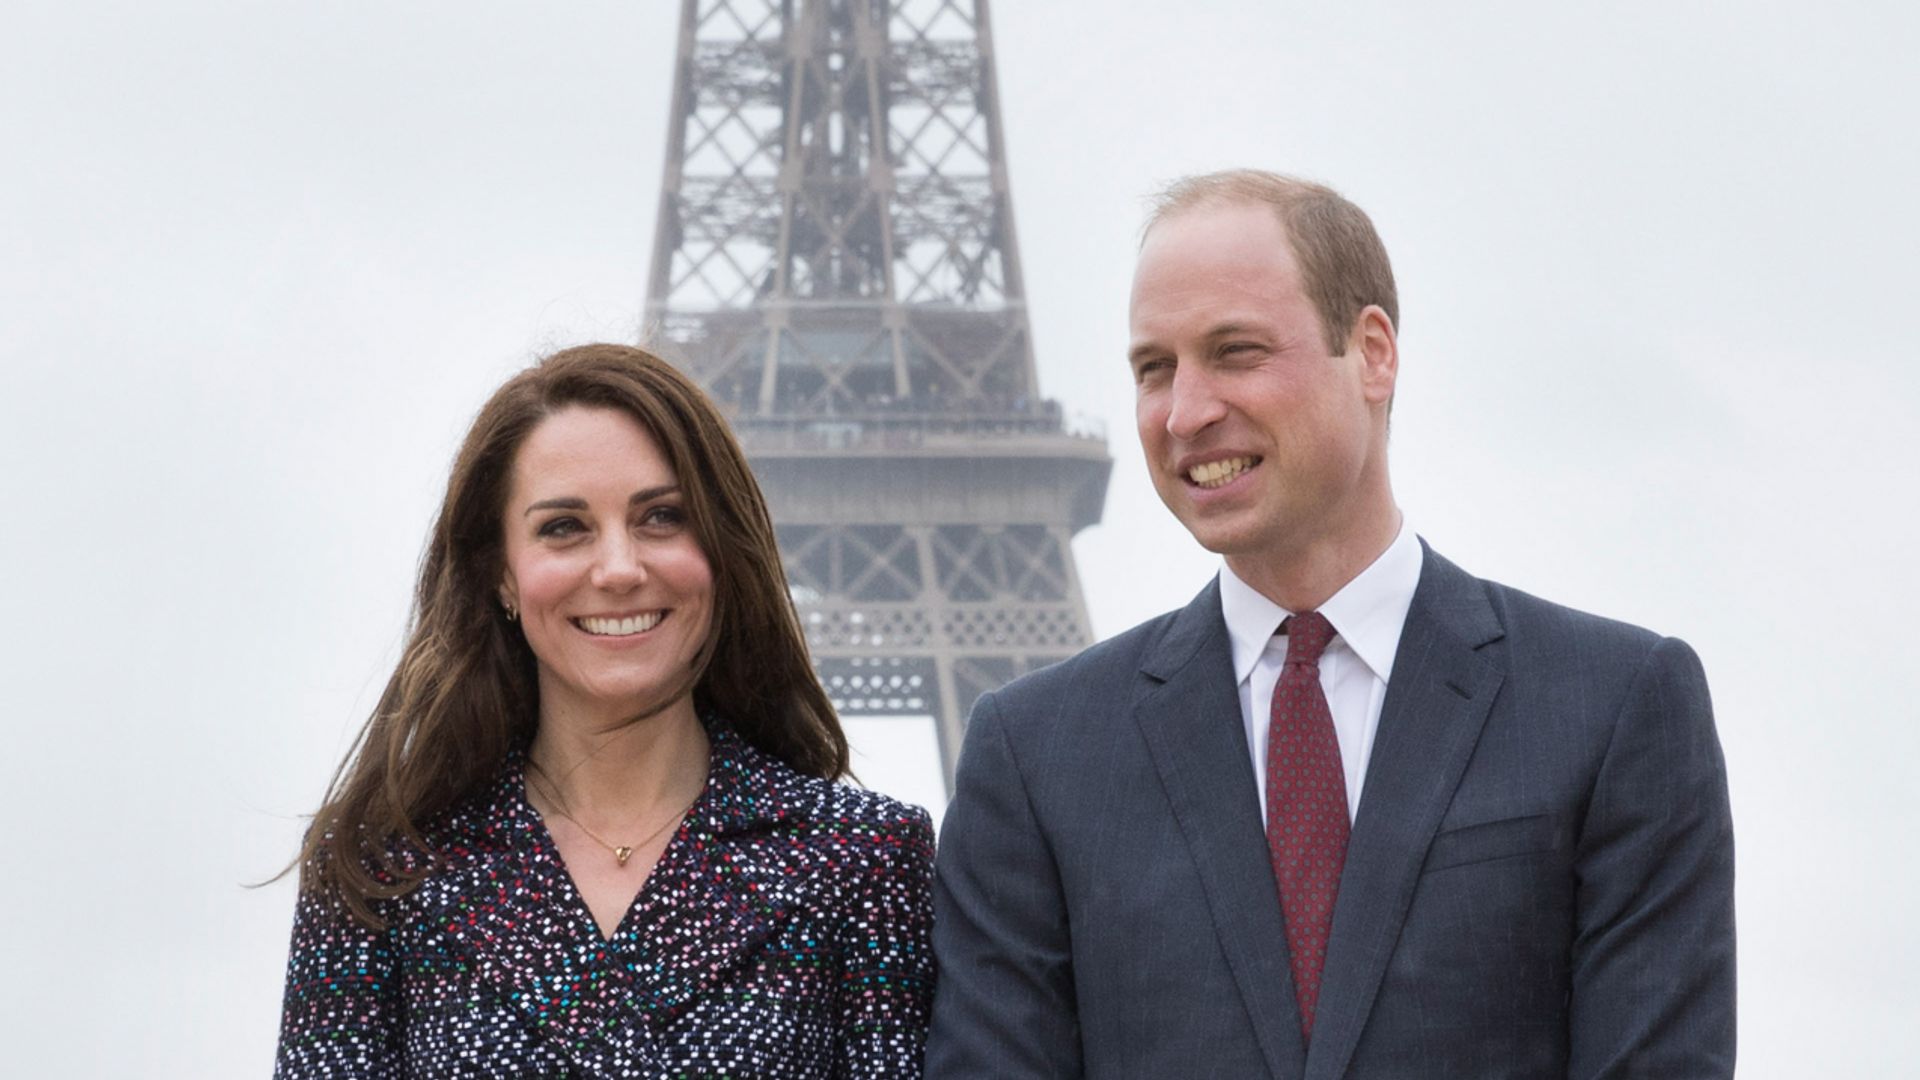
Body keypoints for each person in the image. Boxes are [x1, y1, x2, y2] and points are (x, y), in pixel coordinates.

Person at [926, 171, 1735, 1079]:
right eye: (1155, 368)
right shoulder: (1035, 756)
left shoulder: (1617, 708)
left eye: (1234, 352)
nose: (1184, 412)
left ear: (1374, 352)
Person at [274, 344, 936, 1077]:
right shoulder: (376, 867)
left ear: (721, 550)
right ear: (501, 573)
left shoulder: (864, 861)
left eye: (661, 517)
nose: (619, 569)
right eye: (564, 527)